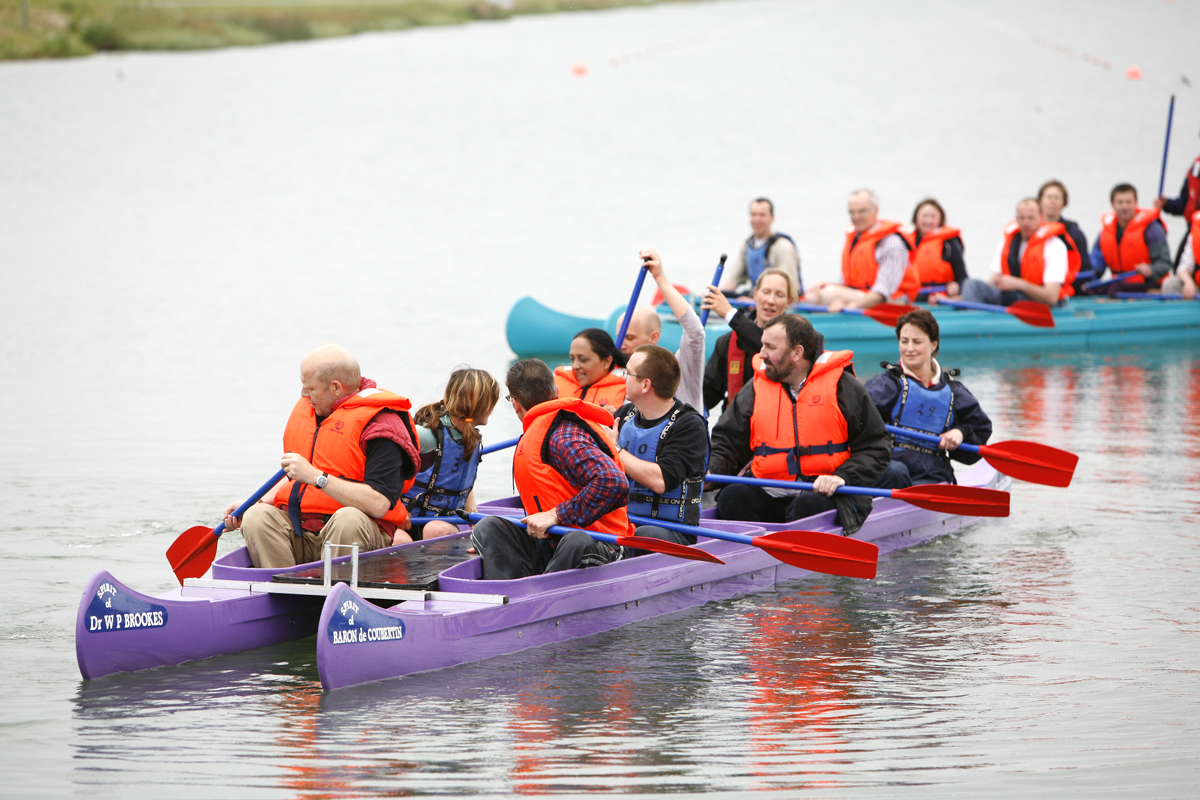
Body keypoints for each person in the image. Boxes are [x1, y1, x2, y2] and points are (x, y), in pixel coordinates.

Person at [222, 344, 420, 569]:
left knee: (348, 519)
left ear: (336, 387)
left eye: (310, 389)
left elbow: (379, 504)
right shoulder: (314, 410)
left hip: (353, 534)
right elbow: (294, 480)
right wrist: (252, 504)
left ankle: (336, 593)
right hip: (301, 528)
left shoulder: (381, 425)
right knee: (257, 516)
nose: (303, 395)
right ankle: (284, 591)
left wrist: (318, 477)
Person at [708, 314, 905, 533]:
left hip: (826, 493)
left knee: (806, 506)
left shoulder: (844, 386)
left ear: (797, 353)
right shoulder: (755, 387)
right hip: (770, 490)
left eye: (769, 347)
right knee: (731, 497)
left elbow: (876, 447)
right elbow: (727, 443)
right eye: (762, 345)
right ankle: (748, 559)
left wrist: (842, 477)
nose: (761, 353)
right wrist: (708, 472)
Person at [469, 359, 631, 580]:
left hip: (602, 544)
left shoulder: (563, 437)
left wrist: (556, 514)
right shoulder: (540, 434)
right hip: (552, 543)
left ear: (516, 404)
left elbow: (614, 482)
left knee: (576, 541)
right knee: (488, 527)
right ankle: (511, 596)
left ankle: (538, 599)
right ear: (555, 390)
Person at [863, 309, 992, 486]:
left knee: (940, 479)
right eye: (904, 341)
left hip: (932, 473)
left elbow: (979, 432)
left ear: (933, 345)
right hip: (890, 473)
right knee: (896, 472)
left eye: (917, 342)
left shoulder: (955, 392)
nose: (909, 349)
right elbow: (854, 425)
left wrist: (960, 433)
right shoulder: (885, 386)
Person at [611, 345, 709, 549]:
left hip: (671, 531)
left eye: (627, 372)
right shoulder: (625, 414)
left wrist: (614, 448)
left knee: (644, 534)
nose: (623, 378)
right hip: (624, 523)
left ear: (645, 385)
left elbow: (660, 480)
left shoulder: (689, 425)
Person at [402, 367, 500, 540]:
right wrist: (394, 509)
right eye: (492, 401)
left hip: (443, 524)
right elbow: (387, 471)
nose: (493, 408)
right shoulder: (426, 436)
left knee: (435, 530)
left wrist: (472, 510)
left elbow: (461, 478)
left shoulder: (472, 437)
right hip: (407, 521)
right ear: (480, 404)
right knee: (399, 539)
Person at [614, 249, 705, 410]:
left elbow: (695, 332)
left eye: (630, 338)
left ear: (653, 338)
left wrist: (660, 279)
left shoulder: (679, 368)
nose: (621, 345)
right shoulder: (616, 374)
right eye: (620, 337)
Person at [701, 266, 798, 415]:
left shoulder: (797, 341)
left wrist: (730, 314)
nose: (771, 300)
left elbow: (764, 346)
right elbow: (706, 396)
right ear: (755, 295)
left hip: (776, 428)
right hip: (735, 431)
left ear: (789, 302)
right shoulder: (727, 342)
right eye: (766, 292)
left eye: (779, 295)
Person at [805, 189, 920, 312]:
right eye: (852, 212)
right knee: (812, 295)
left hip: (891, 301)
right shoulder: (855, 238)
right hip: (863, 295)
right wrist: (829, 284)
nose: (856, 217)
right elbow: (849, 283)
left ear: (875, 209)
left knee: (828, 294)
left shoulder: (891, 243)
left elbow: (883, 291)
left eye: (861, 211)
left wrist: (852, 306)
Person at [958, 198, 1080, 307]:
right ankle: (975, 324)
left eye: (1031, 218)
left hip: (1038, 302)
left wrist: (1019, 284)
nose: (1026, 223)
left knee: (1014, 297)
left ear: (1041, 217)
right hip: (1010, 297)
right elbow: (992, 282)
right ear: (1016, 219)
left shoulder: (1054, 246)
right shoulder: (1008, 241)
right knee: (971, 284)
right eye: (1022, 218)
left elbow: (1051, 297)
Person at [1091, 183, 1172, 294]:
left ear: (1135, 203)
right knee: (1091, 287)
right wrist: (1089, 280)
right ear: (1112, 204)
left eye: (1128, 202)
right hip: (1118, 284)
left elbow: (1165, 263)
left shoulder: (1152, 228)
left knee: (1115, 289)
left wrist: (1150, 270)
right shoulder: (1106, 231)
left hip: (1148, 285)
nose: (1124, 207)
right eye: (1120, 202)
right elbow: (1095, 265)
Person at [718, 197, 802, 297]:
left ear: (772, 218)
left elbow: (789, 289)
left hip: (775, 299)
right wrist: (716, 296)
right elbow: (734, 280)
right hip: (756, 295)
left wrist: (755, 301)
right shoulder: (748, 244)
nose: (757, 220)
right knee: (724, 295)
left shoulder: (783, 247)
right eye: (754, 215)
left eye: (762, 215)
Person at [1038, 179, 1094, 294]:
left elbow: (1085, 270)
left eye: (1057, 198)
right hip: (1038, 289)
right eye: (1048, 197)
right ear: (1040, 201)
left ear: (1064, 203)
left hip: (1069, 290)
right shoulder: (1030, 231)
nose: (1052, 202)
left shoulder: (1074, 233)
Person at [903, 198, 968, 297]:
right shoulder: (903, 242)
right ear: (916, 218)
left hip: (939, 296)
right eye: (924, 216)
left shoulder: (949, 243)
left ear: (940, 219)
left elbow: (963, 278)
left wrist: (957, 287)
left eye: (933, 217)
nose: (928, 220)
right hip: (911, 297)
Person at [1154, 130, 1200, 266]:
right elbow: (1185, 204)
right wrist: (1166, 204)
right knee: (1179, 268)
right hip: (1195, 230)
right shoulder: (1196, 169)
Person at [553, 328, 628, 409]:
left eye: (583, 360)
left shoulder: (629, 392)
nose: (574, 366)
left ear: (607, 362)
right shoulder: (553, 385)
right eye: (572, 359)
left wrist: (618, 416)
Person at [1162, 211, 1199, 299]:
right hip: (1197, 289)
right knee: (1170, 285)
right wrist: (1188, 282)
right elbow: (1184, 267)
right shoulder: (1196, 229)